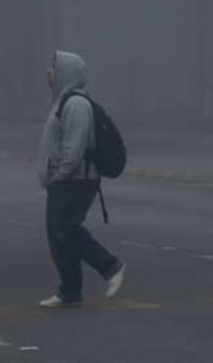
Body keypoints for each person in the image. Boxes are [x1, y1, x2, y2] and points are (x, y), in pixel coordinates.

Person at [35, 50, 126, 308]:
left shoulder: (76, 105)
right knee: (57, 235)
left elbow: (73, 149)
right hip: (64, 180)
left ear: (65, 72)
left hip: (76, 180)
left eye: (53, 67)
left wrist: (60, 175)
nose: (48, 72)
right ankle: (70, 290)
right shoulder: (62, 101)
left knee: (66, 230)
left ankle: (111, 266)